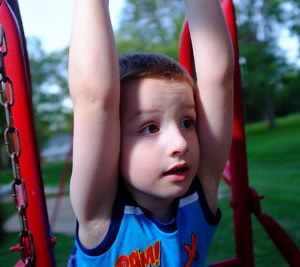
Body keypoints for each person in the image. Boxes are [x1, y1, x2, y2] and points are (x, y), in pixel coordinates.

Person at [68, 0, 233, 266]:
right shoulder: (101, 217)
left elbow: (218, 78)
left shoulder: (199, 193)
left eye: (187, 123)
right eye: (151, 128)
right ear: (112, 144)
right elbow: (94, 98)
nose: (179, 143)